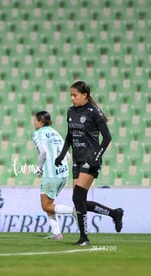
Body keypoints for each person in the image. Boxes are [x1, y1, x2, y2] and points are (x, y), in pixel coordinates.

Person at [55, 80, 124, 246]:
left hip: (90, 159)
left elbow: (107, 137)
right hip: (77, 160)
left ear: (85, 95)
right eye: (71, 95)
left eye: (75, 95)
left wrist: (97, 156)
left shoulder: (93, 112)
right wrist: (62, 155)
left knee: (77, 197)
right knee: (80, 201)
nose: (72, 98)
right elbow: (70, 136)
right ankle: (114, 213)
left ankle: (84, 238)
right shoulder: (70, 111)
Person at [32, 111, 75, 240]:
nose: (34, 123)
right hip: (63, 174)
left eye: (35, 120)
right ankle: (57, 234)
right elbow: (67, 156)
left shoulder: (38, 134)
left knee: (46, 205)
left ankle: (73, 211)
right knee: (50, 204)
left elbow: (44, 152)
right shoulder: (56, 133)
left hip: (51, 175)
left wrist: (39, 168)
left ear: (40, 121)